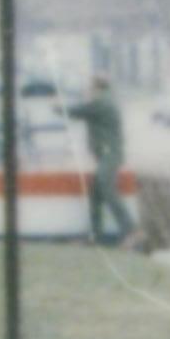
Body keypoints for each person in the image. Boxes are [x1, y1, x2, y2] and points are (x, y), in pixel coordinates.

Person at [68, 74, 136, 248]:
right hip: (108, 154)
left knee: (106, 187)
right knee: (95, 194)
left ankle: (131, 231)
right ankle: (95, 236)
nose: (87, 91)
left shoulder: (101, 102)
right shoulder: (106, 100)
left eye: (89, 87)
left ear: (95, 87)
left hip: (109, 154)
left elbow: (76, 111)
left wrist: (57, 106)